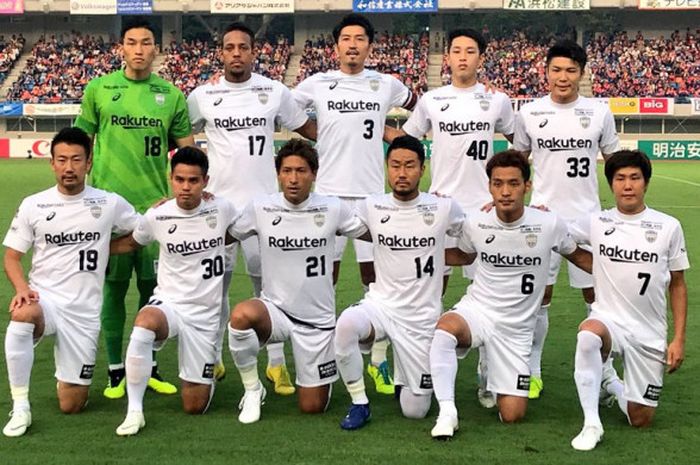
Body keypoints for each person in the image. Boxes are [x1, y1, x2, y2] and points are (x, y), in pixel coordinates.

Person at [386, 28, 516, 408]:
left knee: (492, 299)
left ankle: (489, 375)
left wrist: (505, 191)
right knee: (426, 295)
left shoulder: (497, 101)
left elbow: (518, 144)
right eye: (456, 50)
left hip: (483, 212)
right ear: (447, 59)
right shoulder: (432, 100)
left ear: (480, 58)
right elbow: (406, 142)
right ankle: (414, 371)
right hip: (438, 213)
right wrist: (368, 124)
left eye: (470, 51)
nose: (462, 56)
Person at [187, 22, 316, 394]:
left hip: (264, 210)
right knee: (214, 288)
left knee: (270, 290)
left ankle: (276, 365)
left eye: (244, 47)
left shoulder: (274, 91)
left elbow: (309, 130)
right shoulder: (203, 96)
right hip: (218, 209)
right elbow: (180, 133)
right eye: (230, 47)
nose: (237, 53)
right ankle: (212, 357)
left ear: (253, 51)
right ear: (221, 53)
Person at [293, 13, 417, 396]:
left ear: (369, 45)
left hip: (370, 198)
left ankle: (378, 355)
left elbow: (420, 109)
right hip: (327, 195)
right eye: (345, 38)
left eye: (359, 38)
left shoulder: (385, 83)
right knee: (322, 275)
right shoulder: (318, 82)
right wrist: (320, 132)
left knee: (376, 277)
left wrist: (395, 135)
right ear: (336, 45)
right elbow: (286, 110)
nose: (352, 44)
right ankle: (327, 346)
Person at [429, 150, 592, 440]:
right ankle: (447, 412)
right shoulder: (476, 222)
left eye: (514, 183)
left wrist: (623, 270)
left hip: (517, 330)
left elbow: (579, 257)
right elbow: (464, 256)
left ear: (527, 187)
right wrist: (415, 251)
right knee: (444, 331)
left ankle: (488, 374)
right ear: (489, 186)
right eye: (498, 183)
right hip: (479, 311)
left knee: (512, 415)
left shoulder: (549, 224)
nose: (505, 192)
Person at [75, 17, 195, 399]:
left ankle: (150, 367)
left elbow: (187, 152)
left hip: (155, 211)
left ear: (156, 49)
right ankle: (114, 372)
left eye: (146, 42)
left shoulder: (171, 95)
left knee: (152, 292)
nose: (139, 49)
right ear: (121, 48)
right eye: (132, 42)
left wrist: (181, 192)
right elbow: (82, 144)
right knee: (112, 291)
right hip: (108, 210)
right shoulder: (99, 88)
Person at [2, 128, 139, 437]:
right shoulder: (34, 204)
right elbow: (12, 256)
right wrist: (23, 290)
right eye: (61, 159)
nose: (69, 167)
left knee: (72, 403)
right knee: (22, 315)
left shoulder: (109, 203)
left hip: (84, 313)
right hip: (46, 300)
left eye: (76, 159)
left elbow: (140, 233)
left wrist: (106, 246)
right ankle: (21, 406)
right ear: (51, 163)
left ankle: (68, 379)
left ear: (88, 163)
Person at [227, 139, 368, 424]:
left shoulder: (332, 207)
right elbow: (225, 233)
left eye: (301, 171)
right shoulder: (261, 207)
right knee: (242, 316)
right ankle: (253, 389)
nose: (293, 179)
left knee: (312, 406)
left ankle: (318, 378)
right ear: (278, 174)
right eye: (287, 171)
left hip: (317, 321)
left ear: (314, 174)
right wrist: (192, 207)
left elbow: (372, 231)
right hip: (275, 311)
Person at [334, 135, 465, 430]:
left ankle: (405, 374)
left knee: (415, 411)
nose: (402, 173)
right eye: (395, 165)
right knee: (345, 326)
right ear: (386, 167)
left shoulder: (443, 208)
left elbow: (471, 240)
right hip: (381, 306)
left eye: (409, 166)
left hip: (421, 318)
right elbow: (339, 220)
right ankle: (359, 403)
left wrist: (439, 257)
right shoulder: (372, 206)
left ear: (422, 169)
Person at [512, 40, 619, 399]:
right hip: (543, 220)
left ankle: (605, 373)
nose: (563, 77)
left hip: (588, 221)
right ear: (546, 72)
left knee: (597, 298)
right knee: (539, 298)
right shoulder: (529, 113)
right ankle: (533, 367)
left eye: (571, 70)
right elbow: (515, 164)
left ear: (582, 74)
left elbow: (615, 165)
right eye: (556, 70)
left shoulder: (599, 112)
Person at [112, 147, 237, 436]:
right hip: (170, 303)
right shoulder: (159, 215)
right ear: (171, 179)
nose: (186, 187)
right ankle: (134, 411)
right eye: (179, 179)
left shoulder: (223, 208)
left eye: (193, 180)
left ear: (206, 181)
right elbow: (131, 243)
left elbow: (245, 228)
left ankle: (205, 373)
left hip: (205, 315)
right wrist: (90, 247)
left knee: (194, 405)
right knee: (144, 323)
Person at [569, 150, 688, 451]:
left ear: (646, 183)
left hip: (649, 331)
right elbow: (560, 238)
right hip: (609, 320)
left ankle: (611, 384)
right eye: (620, 178)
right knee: (587, 335)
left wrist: (678, 340)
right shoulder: (596, 221)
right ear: (611, 184)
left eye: (635, 178)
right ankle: (591, 424)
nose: (627, 185)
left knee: (641, 418)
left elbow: (678, 284)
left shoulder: (668, 226)